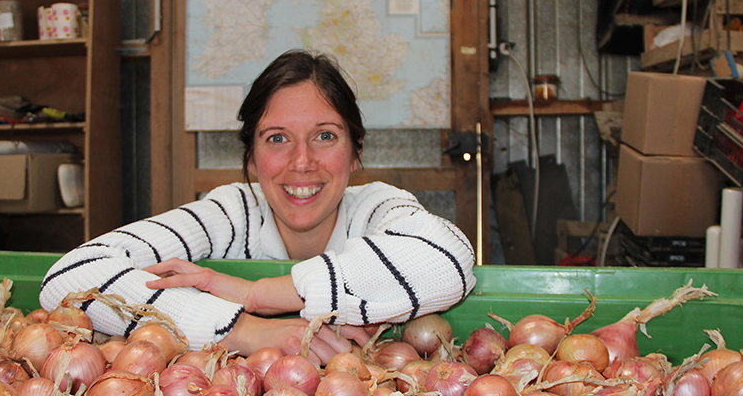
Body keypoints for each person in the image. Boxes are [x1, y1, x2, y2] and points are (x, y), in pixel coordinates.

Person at [39, 49, 477, 365]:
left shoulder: (377, 207)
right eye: (277, 138)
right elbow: (69, 276)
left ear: (355, 152)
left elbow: (451, 260)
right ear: (251, 156)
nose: (301, 162)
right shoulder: (231, 214)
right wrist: (242, 329)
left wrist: (257, 294)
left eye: (325, 136)